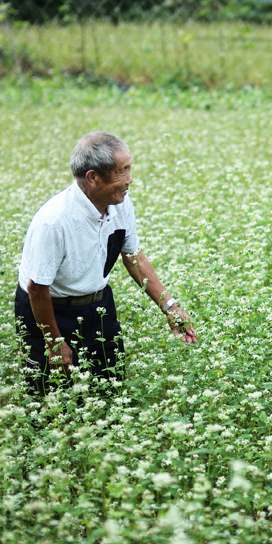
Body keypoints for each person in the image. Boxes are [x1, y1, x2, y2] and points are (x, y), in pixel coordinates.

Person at [15, 131, 196, 396]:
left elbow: (133, 257)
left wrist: (169, 306)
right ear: (93, 177)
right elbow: (37, 288)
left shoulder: (120, 202)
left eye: (129, 169)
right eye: (122, 172)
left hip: (98, 305)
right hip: (48, 309)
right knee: (51, 396)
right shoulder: (54, 221)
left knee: (109, 387)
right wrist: (54, 343)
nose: (130, 180)